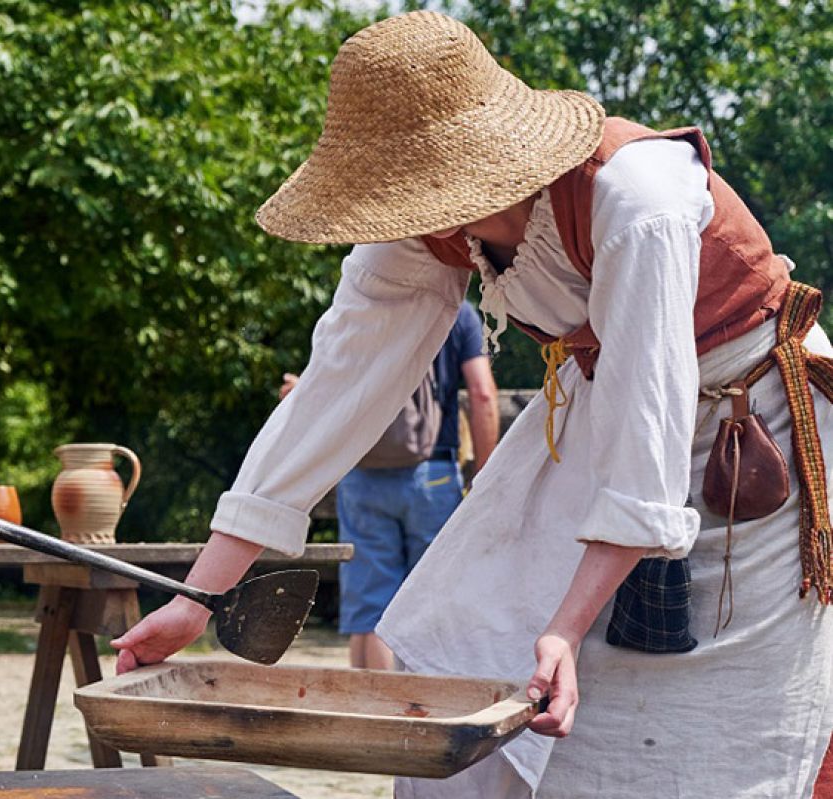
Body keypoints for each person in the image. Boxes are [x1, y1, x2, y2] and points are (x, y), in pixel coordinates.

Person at [113, 11, 833, 797]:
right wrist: (198, 596)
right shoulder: (421, 231)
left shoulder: (635, 196)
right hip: (602, 421)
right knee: (467, 658)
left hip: (744, 436)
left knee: (686, 722)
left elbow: (646, 429)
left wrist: (564, 623)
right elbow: (332, 393)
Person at [282, 300, 497, 670]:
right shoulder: (457, 312)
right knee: (430, 609)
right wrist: (485, 477)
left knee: (370, 615)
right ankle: (422, 717)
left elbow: (324, 386)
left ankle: (371, 722)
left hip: (363, 473)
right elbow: (482, 394)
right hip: (434, 476)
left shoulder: (360, 302)